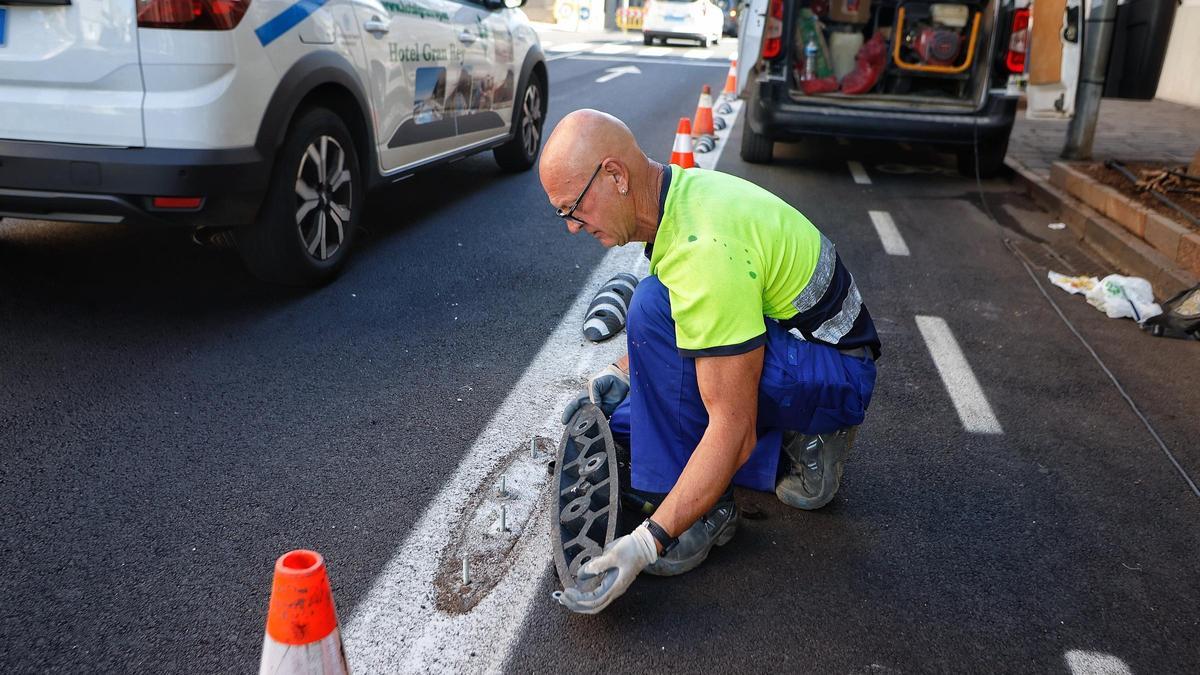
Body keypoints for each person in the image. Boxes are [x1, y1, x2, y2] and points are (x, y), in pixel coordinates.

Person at [539, 110, 880, 614]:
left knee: (672, 347)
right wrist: (624, 373)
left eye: (574, 208)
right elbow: (683, 309)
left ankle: (720, 505)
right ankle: (761, 453)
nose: (572, 226)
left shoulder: (703, 248)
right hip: (796, 342)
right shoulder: (677, 198)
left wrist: (648, 540)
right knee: (646, 346)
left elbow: (733, 428)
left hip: (837, 372)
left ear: (615, 175)